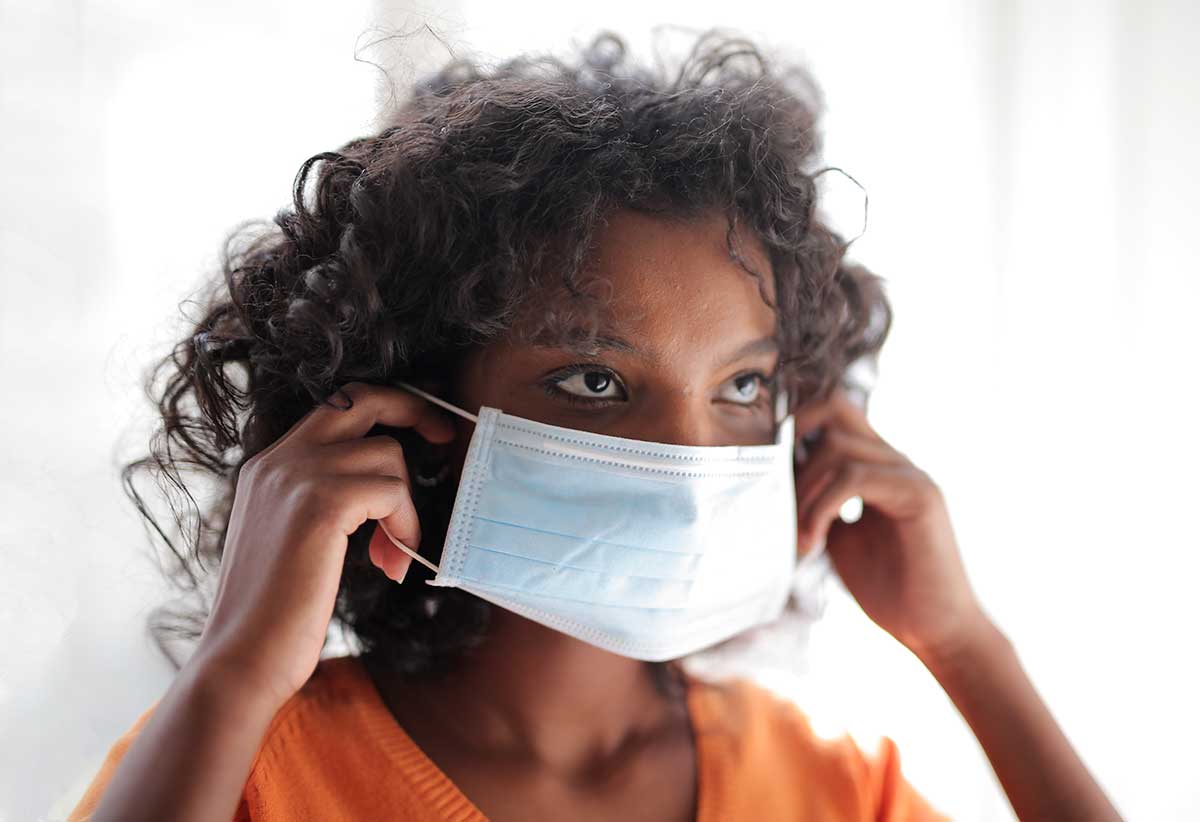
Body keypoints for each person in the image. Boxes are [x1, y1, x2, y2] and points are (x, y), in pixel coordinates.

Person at [67, 29, 1121, 822]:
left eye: (745, 387)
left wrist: (970, 649)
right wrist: (236, 669)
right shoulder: (237, 768)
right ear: (402, 405)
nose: (690, 458)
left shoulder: (834, 791)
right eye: (596, 383)